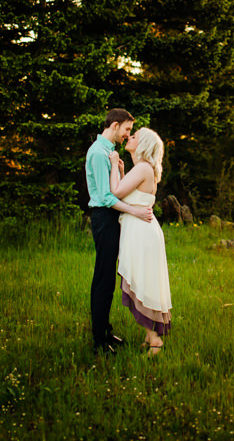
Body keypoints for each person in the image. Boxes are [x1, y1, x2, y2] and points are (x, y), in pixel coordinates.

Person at [85, 108, 153, 356]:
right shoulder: (97, 152)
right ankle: (98, 341)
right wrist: (135, 212)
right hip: (104, 218)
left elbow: (117, 190)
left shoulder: (108, 152)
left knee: (109, 279)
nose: (127, 135)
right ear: (114, 125)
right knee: (103, 279)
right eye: (126, 130)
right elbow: (105, 197)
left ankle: (105, 330)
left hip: (112, 216)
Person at [108, 127, 171, 356]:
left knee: (143, 283)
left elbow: (114, 192)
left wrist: (114, 164)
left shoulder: (143, 167)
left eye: (134, 136)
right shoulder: (142, 169)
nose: (129, 137)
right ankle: (149, 335)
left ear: (143, 144)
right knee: (144, 281)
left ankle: (155, 341)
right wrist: (124, 172)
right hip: (142, 231)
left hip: (141, 234)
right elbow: (129, 195)